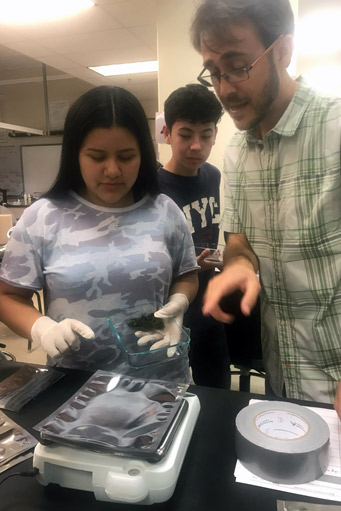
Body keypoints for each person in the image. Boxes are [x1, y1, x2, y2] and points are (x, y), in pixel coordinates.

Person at [190, 0, 341, 404]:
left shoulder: (336, 127)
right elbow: (239, 241)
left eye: (238, 66)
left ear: (282, 51)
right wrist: (241, 266)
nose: (225, 88)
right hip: (281, 378)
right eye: (214, 72)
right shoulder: (236, 152)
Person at [0, 85, 199, 383]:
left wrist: (179, 302)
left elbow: (187, 274)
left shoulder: (165, 211)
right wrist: (42, 327)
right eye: (96, 156)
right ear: (75, 154)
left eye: (126, 156)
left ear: (143, 154)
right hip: (74, 384)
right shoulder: (42, 217)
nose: (112, 170)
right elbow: (8, 297)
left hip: (162, 379)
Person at [158, 83, 230, 389]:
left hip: (207, 302)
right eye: (185, 134)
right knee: (167, 391)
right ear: (167, 134)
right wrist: (187, 267)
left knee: (217, 387)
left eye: (206, 134)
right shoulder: (152, 187)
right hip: (167, 307)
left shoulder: (212, 174)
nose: (196, 146)